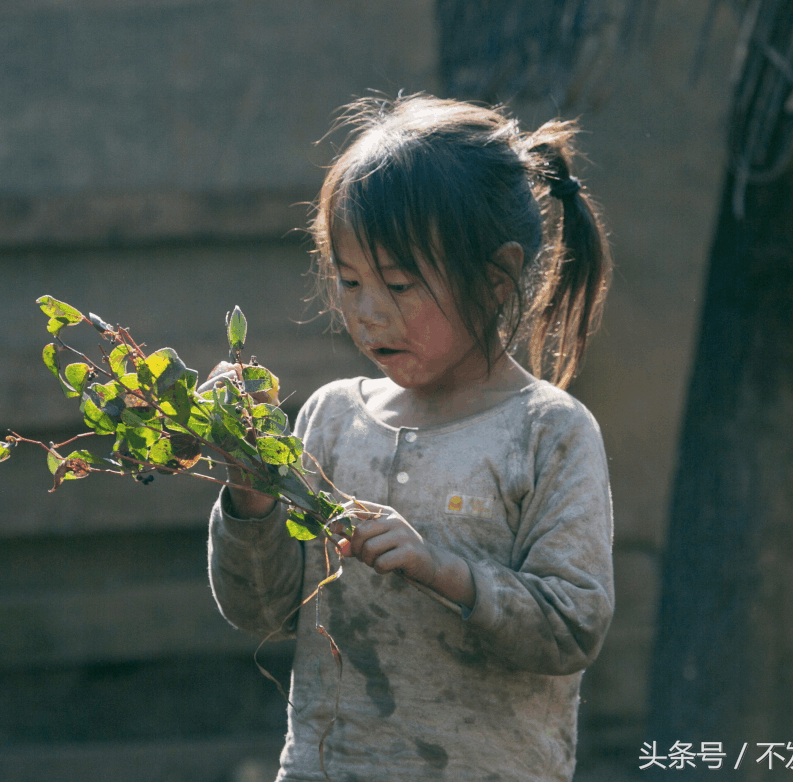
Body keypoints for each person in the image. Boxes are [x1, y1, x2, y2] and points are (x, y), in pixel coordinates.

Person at [206, 93, 615, 782]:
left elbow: (573, 625)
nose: (367, 314)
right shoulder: (332, 420)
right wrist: (249, 498)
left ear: (496, 278)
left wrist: (442, 571)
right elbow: (265, 612)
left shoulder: (547, 432)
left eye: (397, 284)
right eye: (350, 281)